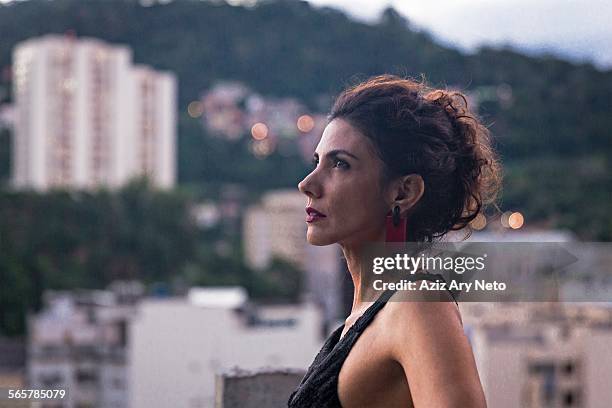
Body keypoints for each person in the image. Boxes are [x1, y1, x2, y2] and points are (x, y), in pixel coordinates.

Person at [288, 74, 501, 407]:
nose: (307, 183)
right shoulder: (364, 316)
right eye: (318, 162)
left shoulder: (417, 304)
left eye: (340, 164)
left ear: (403, 192)